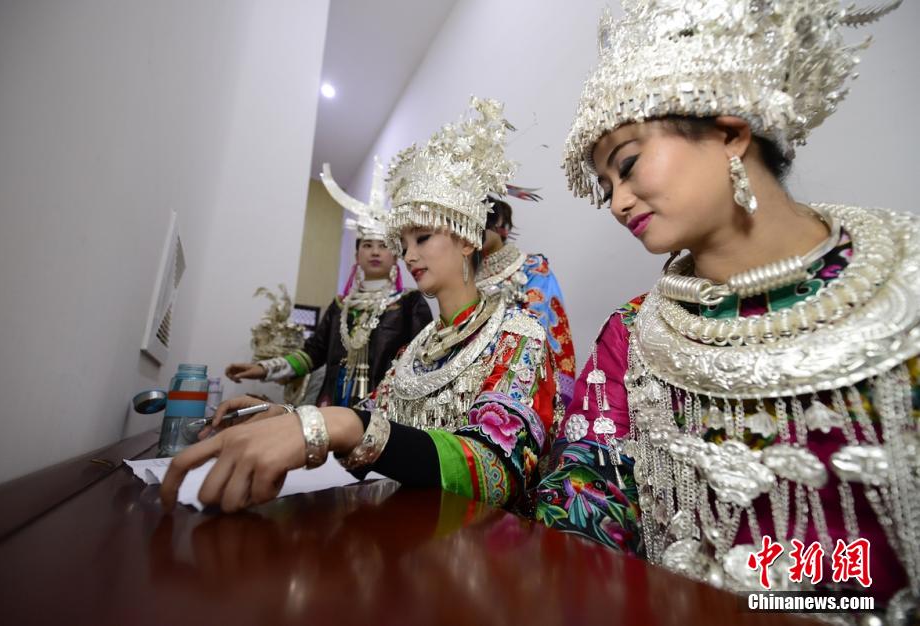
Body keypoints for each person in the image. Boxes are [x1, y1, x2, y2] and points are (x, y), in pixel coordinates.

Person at [535, 0, 917, 619]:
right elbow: (585, 487)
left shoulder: (907, 279)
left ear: (730, 132)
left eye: (628, 165)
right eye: (605, 186)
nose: (617, 202)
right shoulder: (631, 336)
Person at [162, 97, 559, 515]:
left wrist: (345, 425)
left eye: (422, 239)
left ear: (466, 239)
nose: (408, 256)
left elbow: (495, 471)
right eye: (402, 245)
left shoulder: (518, 338)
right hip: (400, 532)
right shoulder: (416, 350)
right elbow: (367, 418)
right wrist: (285, 415)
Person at [224, 158, 432, 407]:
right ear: (357, 256)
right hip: (333, 401)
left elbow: (422, 359)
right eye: (367, 245)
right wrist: (262, 368)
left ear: (396, 255)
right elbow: (312, 354)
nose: (375, 252)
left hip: (385, 406)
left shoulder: (409, 303)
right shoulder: (339, 306)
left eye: (383, 246)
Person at [478, 194, 576, 404]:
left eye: (484, 221)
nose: (477, 229)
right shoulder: (464, 277)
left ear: (501, 224)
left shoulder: (532, 268)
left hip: (524, 375)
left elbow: (541, 326)